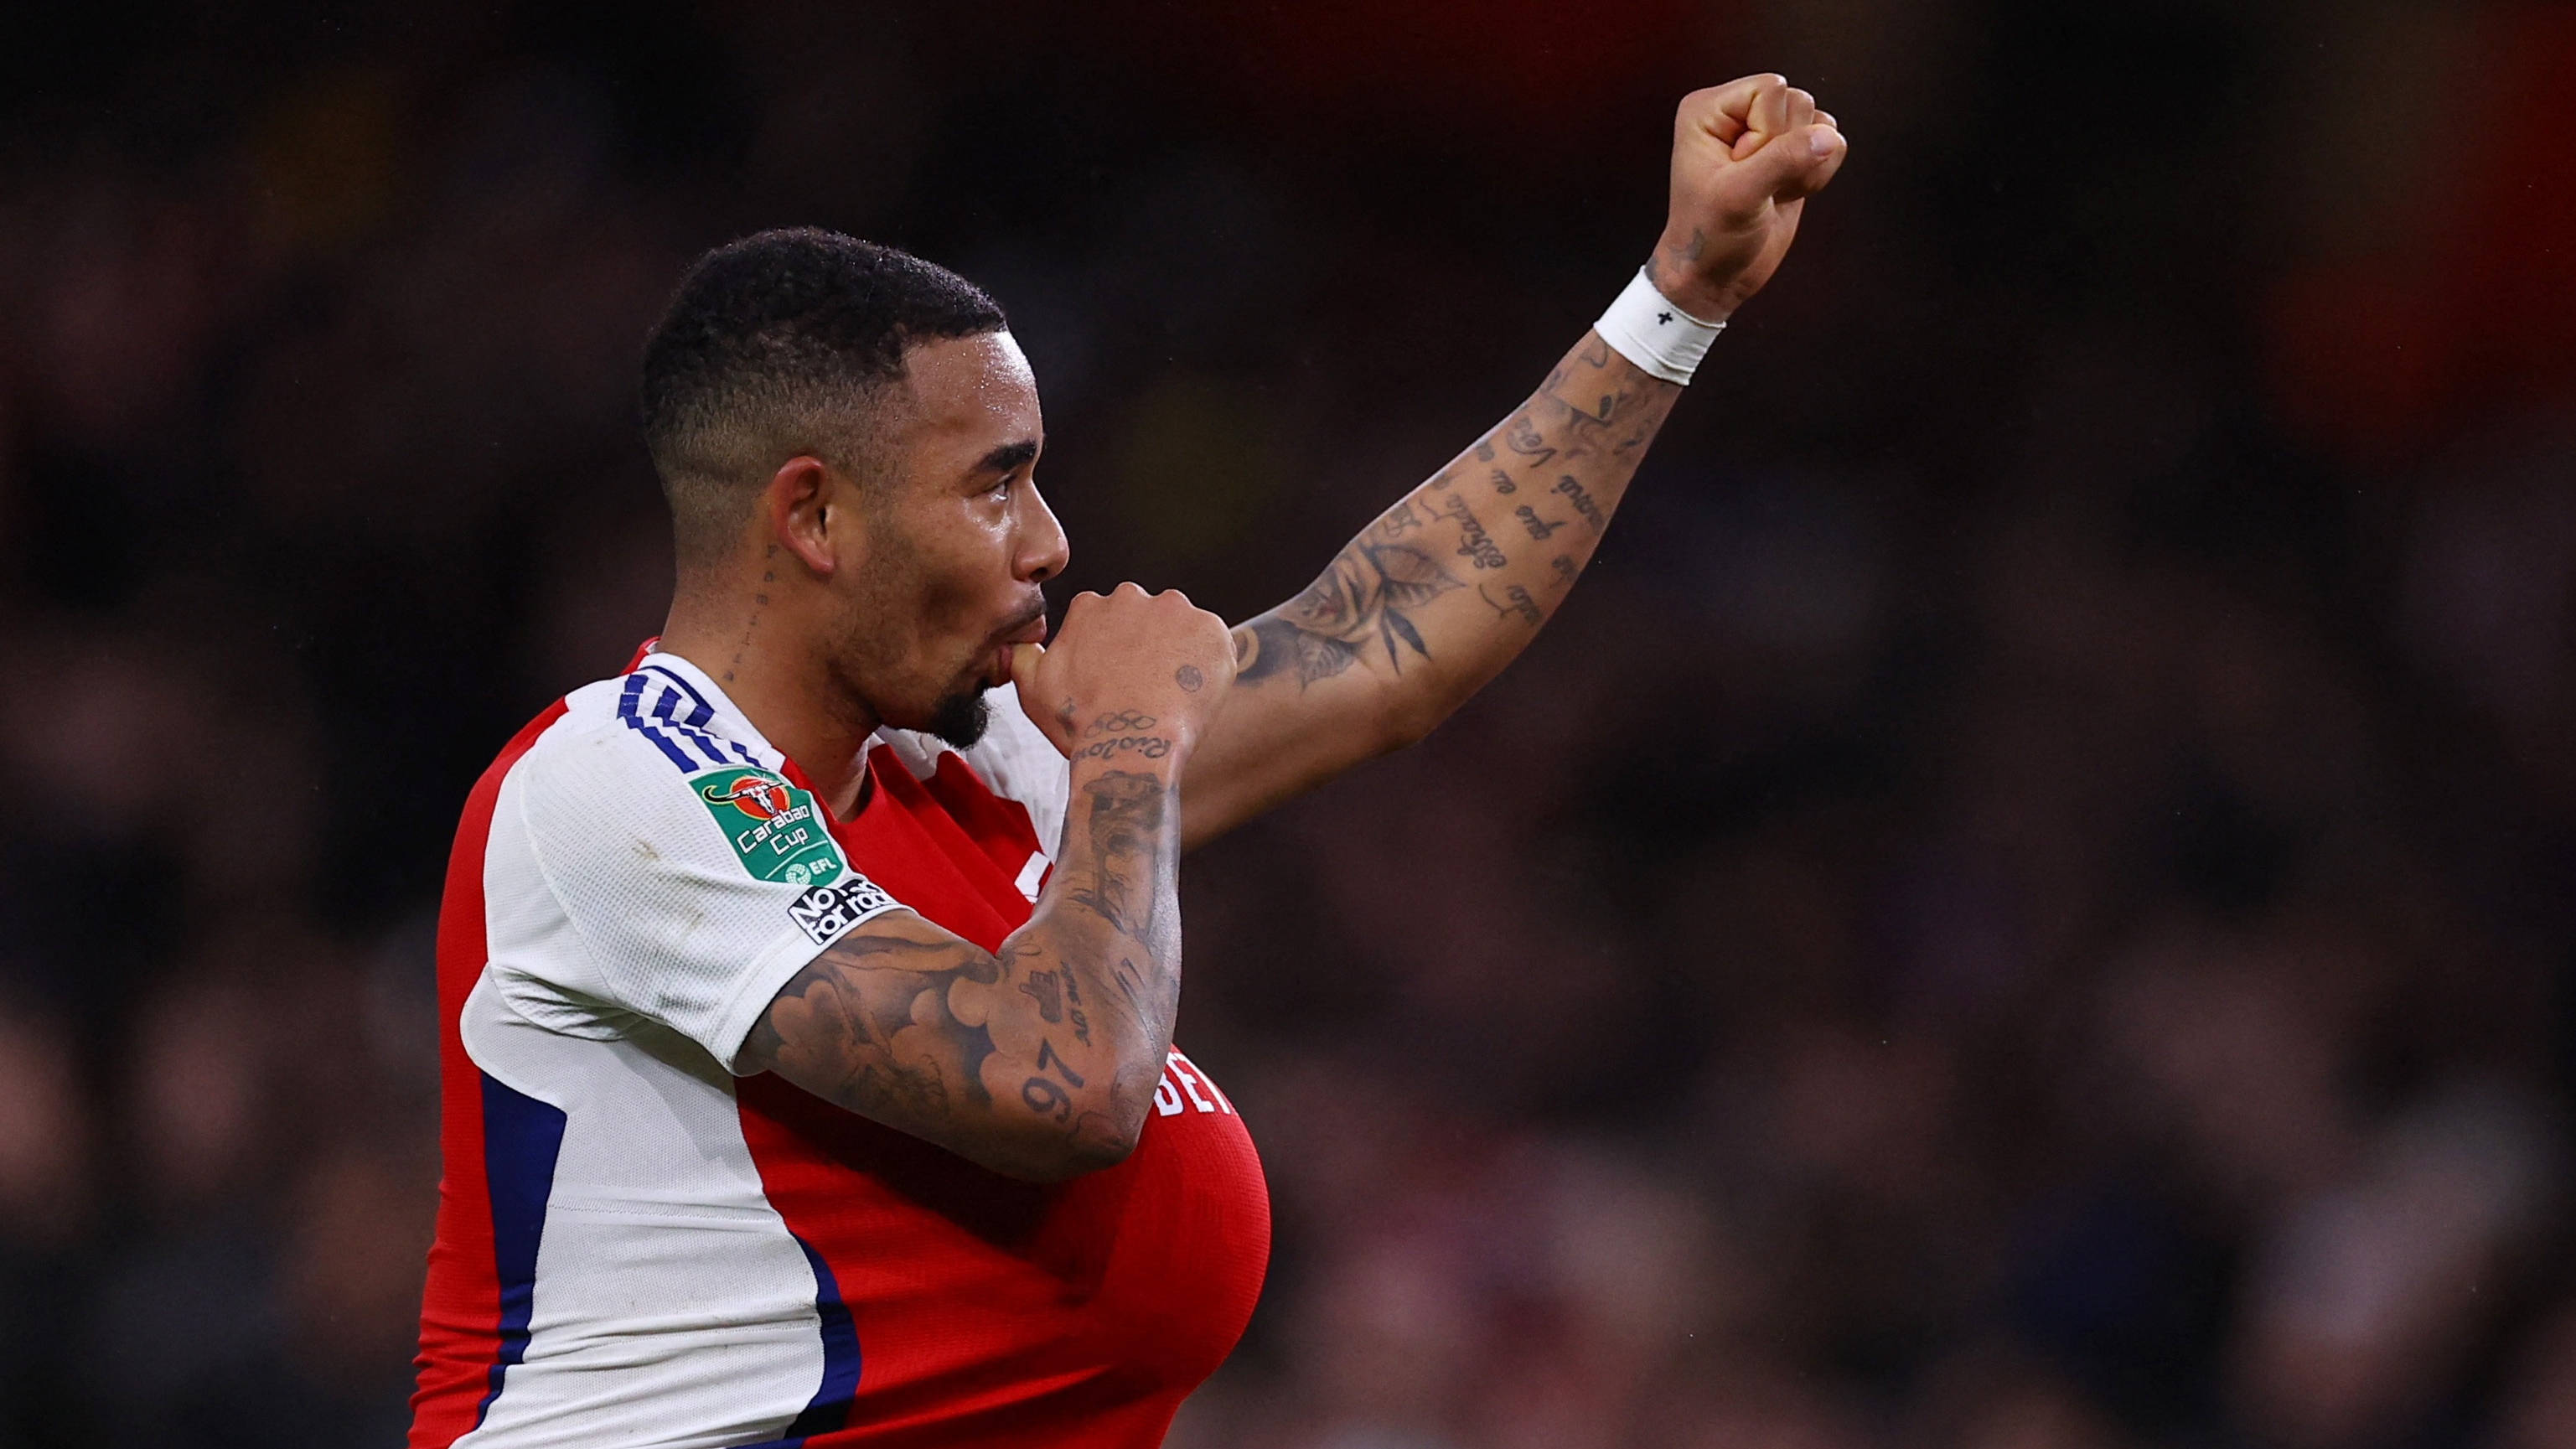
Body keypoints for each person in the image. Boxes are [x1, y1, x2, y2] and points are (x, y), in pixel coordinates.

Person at [407, 72, 1845, 1449]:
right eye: (995, 483)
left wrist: (1680, 296)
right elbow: (1064, 1085)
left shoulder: (959, 768)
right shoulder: (620, 784)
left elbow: (1379, 642)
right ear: (814, 518)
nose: (1048, 542)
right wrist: (1136, 741)